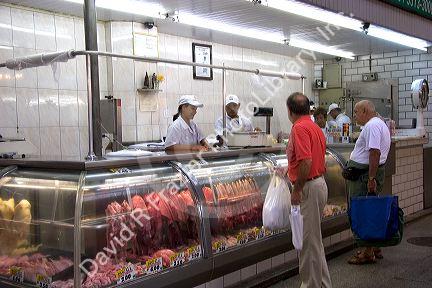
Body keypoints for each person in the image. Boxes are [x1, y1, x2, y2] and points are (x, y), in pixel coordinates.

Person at [285, 92, 332, 288]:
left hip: (309, 187)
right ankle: (322, 284)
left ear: (290, 111)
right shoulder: (315, 127)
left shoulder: (299, 128)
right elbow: (309, 160)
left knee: (307, 244)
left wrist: (297, 190)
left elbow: (306, 161)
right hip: (318, 183)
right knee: (314, 241)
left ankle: (311, 285)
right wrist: (288, 169)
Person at [346, 100, 391, 265]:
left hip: (364, 176)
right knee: (370, 210)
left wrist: (371, 179)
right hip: (367, 174)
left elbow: (374, 153)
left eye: (356, 112)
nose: (355, 115)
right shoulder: (379, 124)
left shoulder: (372, 126)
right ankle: (374, 246)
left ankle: (367, 252)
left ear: (365, 111)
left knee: (362, 212)